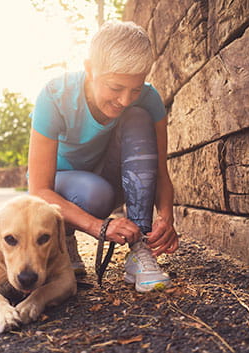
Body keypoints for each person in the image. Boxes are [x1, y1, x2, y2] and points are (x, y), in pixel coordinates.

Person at [27, 20, 179, 292]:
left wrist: (166, 216)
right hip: (64, 187)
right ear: (89, 69)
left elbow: (160, 172)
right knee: (95, 193)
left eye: (135, 88)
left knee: (137, 116)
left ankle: (139, 250)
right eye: (115, 87)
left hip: (110, 178)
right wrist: (99, 227)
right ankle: (63, 242)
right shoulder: (54, 96)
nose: (125, 99)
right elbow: (38, 190)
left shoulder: (148, 99)